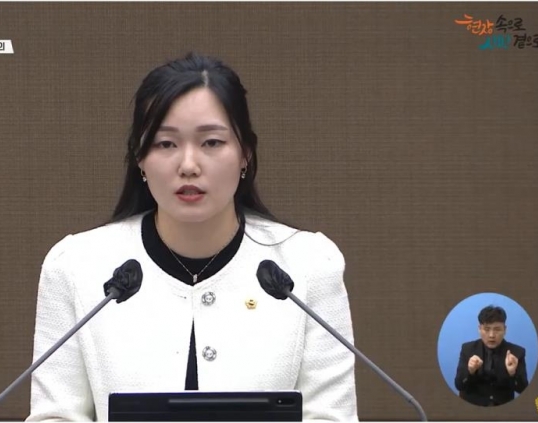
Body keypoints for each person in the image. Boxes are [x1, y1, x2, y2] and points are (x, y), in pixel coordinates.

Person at [25, 52, 358, 421]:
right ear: (140, 158)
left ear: (245, 153)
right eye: (166, 144)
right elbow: (55, 416)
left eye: (211, 142)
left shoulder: (308, 266)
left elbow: (331, 416)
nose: (188, 165)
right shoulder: (77, 267)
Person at [454, 305, 529, 406]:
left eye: (497, 329)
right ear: (479, 329)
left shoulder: (517, 352)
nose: (491, 335)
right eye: (486, 329)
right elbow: (459, 385)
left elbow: (523, 390)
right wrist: (470, 371)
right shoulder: (468, 349)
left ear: (505, 330)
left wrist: (512, 373)